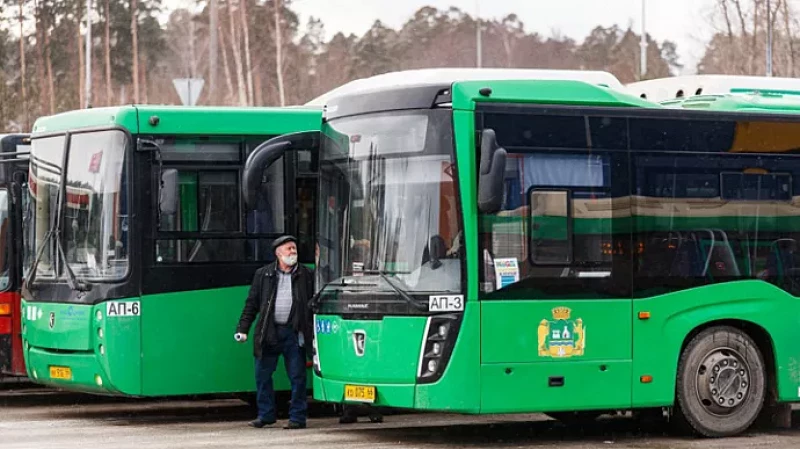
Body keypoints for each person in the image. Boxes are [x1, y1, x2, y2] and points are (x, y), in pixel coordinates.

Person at [235, 235, 314, 430]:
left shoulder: (307, 274)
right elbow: (252, 304)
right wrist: (242, 329)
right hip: (269, 332)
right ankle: (266, 415)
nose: (293, 252)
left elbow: (314, 303)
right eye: (289, 249)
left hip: (294, 333)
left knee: (297, 377)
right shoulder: (264, 275)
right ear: (278, 253)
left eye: (294, 249)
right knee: (262, 375)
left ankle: (297, 417)